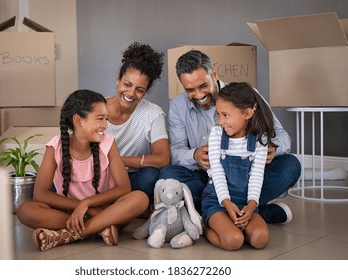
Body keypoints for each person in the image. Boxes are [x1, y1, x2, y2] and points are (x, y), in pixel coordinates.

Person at [159, 50, 301, 224]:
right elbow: (175, 152)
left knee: (291, 165)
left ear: (215, 73)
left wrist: (273, 147)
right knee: (168, 174)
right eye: (190, 90)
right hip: (207, 178)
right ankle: (256, 213)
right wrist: (194, 155)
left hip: (247, 175)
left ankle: (215, 213)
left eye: (203, 86)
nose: (198, 95)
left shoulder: (247, 94)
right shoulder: (177, 106)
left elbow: (282, 135)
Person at [17, 89, 149, 251]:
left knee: (140, 198)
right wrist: (82, 207)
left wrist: (87, 203)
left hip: (104, 209)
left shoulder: (108, 143)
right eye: (100, 119)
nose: (105, 125)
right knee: (25, 211)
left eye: (106, 119)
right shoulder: (55, 146)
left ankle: (66, 235)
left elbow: (124, 188)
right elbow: (41, 194)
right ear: (78, 121)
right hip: (71, 212)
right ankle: (101, 227)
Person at [202, 82, 273, 250]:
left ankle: (239, 224)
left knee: (260, 239)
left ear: (248, 113)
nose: (221, 121)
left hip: (244, 202)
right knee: (233, 241)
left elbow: (257, 176)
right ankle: (205, 228)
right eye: (218, 114)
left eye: (226, 115)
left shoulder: (258, 140)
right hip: (218, 200)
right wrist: (226, 203)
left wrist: (251, 206)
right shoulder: (217, 134)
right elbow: (217, 172)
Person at [106, 42, 170, 203]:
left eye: (139, 89)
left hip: (134, 178)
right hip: (102, 176)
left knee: (151, 176)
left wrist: (118, 160)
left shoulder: (153, 113)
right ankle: (120, 208)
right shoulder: (97, 108)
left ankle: (114, 206)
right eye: (127, 84)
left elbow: (163, 158)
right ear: (118, 80)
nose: (131, 93)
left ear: (146, 92)